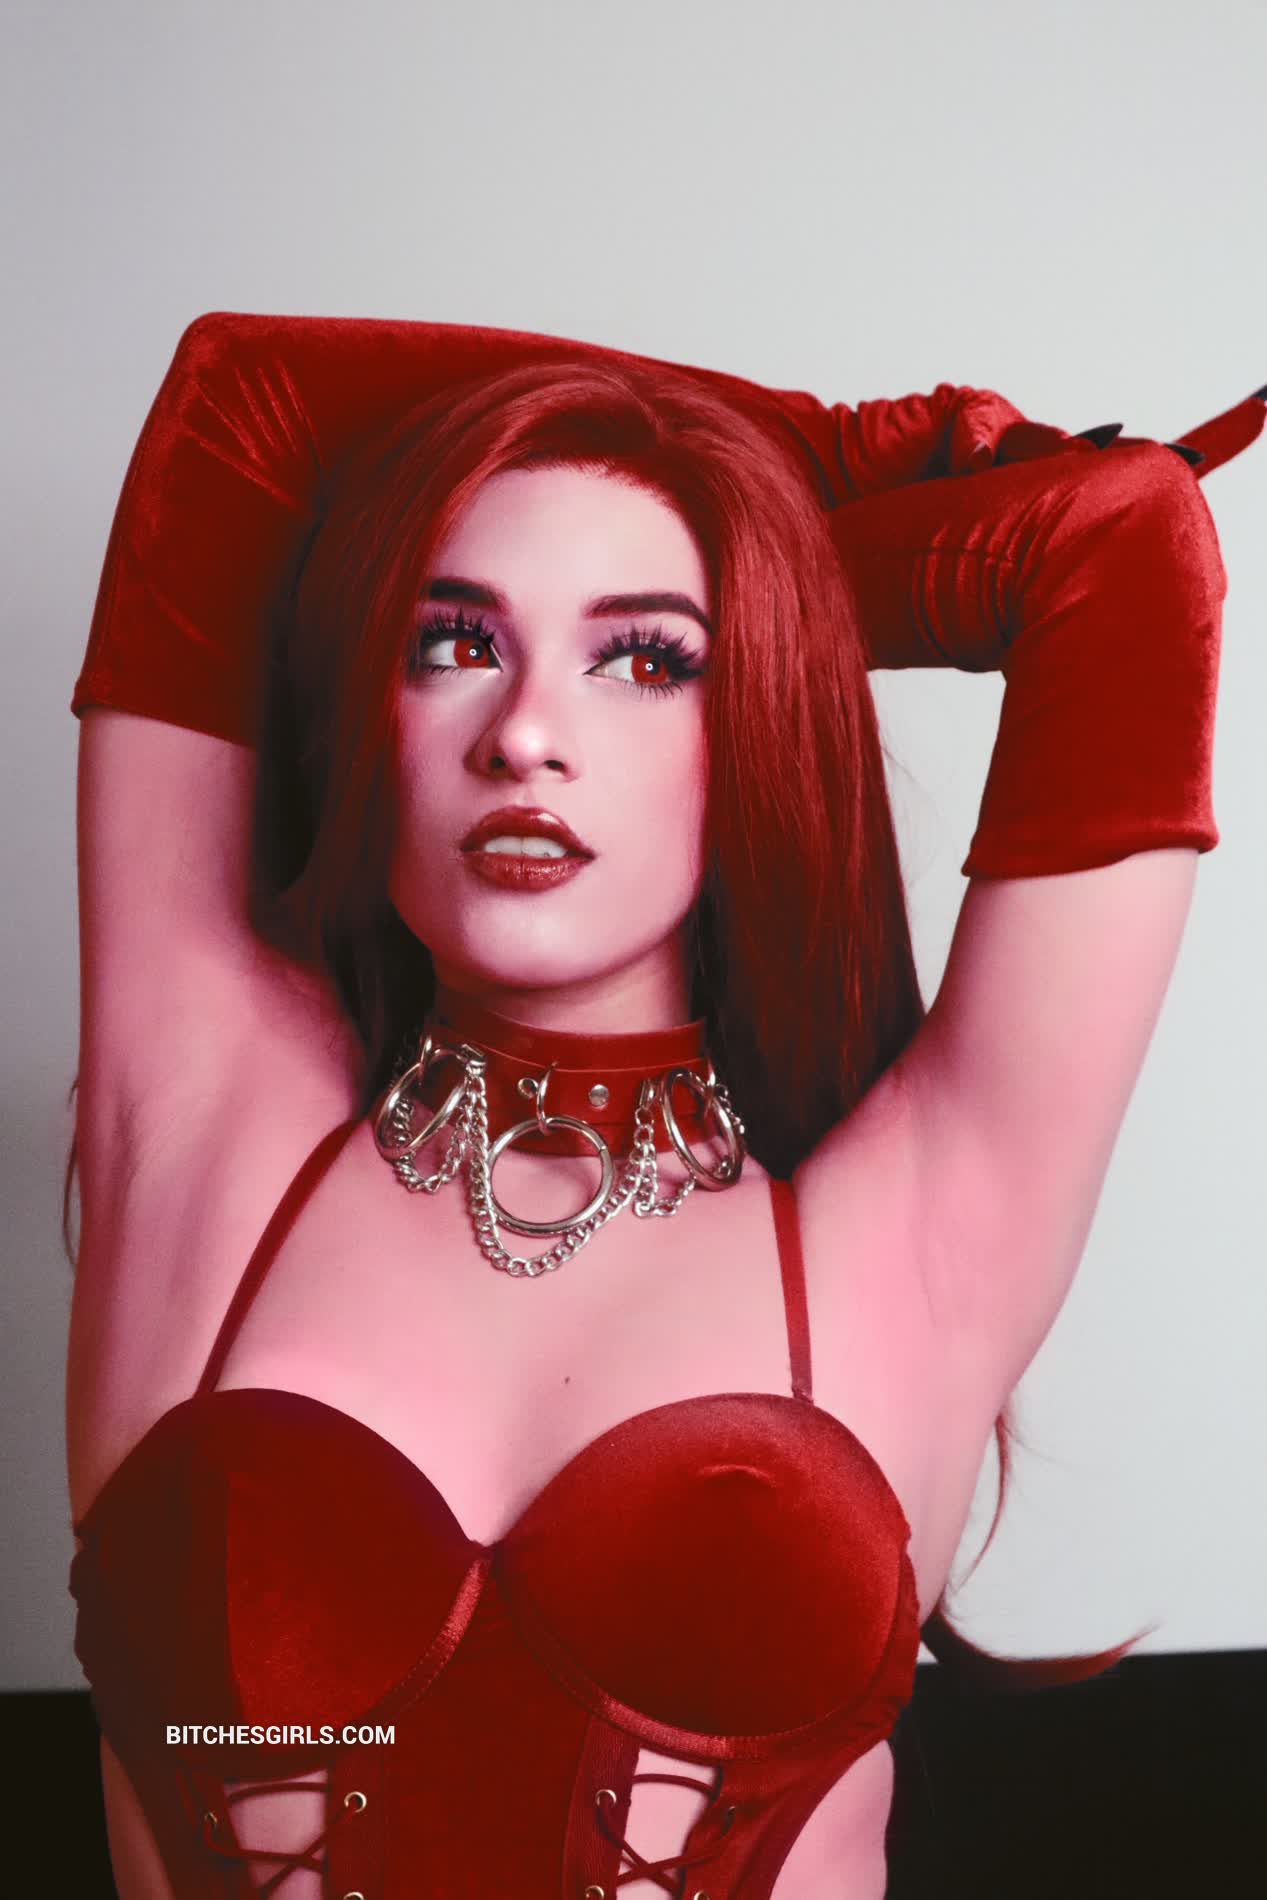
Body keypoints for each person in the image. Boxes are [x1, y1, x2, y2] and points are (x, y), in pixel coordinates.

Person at [64, 312, 1264, 1899]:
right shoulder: (206, 1126)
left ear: (757, 708)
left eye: (647, 659)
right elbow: (241, 395)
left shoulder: (898, 1244)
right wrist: (819, 459)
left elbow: (1120, 541)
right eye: (454, 642)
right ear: (373, 705)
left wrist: (771, 556)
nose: (525, 735)